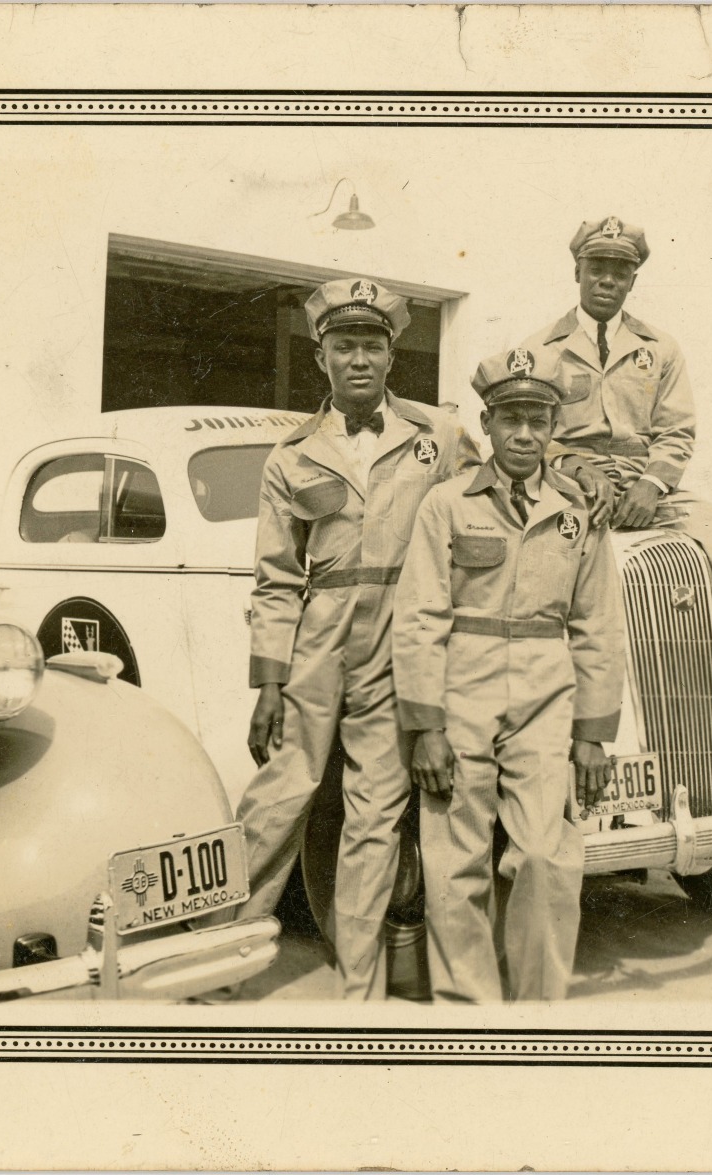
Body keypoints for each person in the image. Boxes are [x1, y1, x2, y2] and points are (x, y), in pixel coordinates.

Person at [234, 277, 481, 1000]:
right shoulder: (290, 456)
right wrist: (269, 684)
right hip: (319, 638)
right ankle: (214, 964)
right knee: (280, 795)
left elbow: (478, 517)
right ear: (321, 358)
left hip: (402, 635)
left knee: (376, 812)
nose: (359, 359)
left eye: (372, 345)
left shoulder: (437, 436)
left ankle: (359, 990)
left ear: (390, 355)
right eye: (344, 346)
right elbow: (277, 578)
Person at [521, 216, 712, 751]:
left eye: (621, 271)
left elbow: (677, 431)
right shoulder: (539, 349)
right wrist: (573, 467)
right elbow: (530, 433)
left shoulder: (659, 348)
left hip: (645, 481)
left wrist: (653, 485)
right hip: (571, 482)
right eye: (598, 267)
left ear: (634, 281)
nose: (608, 280)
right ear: (577, 270)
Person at [394, 347, 625, 1002]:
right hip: (459, 687)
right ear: (487, 424)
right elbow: (418, 616)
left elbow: (597, 626)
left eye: (538, 420)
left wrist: (592, 732)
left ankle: (536, 1016)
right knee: (453, 861)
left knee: (547, 857)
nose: (524, 434)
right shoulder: (444, 505)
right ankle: (468, 1012)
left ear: (554, 428)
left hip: (546, 695)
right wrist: (425, 725)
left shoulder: (577, 516)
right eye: (510, 419)